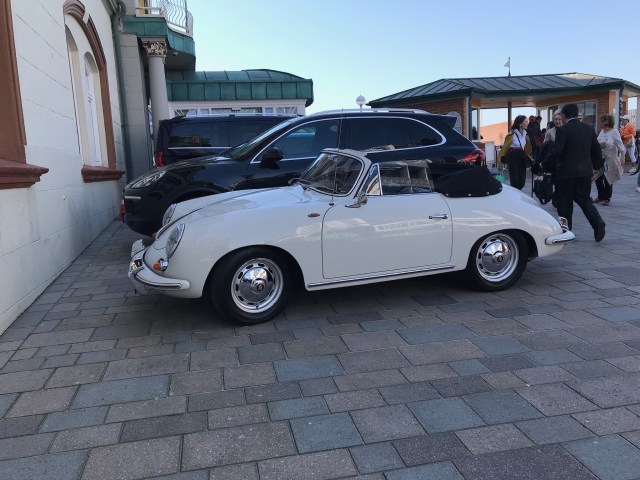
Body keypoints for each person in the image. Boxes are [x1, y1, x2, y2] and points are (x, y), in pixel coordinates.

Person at [541, 103, 605, 241]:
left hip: (566, 172)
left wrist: (544, 164)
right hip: (585, 171)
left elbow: (556, 151)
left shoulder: (563, 130)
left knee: (564, 202)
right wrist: (597, 166)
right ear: (577, 114)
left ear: (564, 115)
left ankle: (566, 230)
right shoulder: (589, 129)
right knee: (584, 199)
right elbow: (596, 149)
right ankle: (598, 223)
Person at [593, 115, 624, 205]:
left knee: (608, 177)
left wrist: (622, 157)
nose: (600, 123)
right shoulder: (602, 131)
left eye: (602, 121)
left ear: (607, 122)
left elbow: (620, 145)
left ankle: (606, 198)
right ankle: (600, 196)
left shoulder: (614, 132)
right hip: (601, 157)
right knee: (598, 177)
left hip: (610, 158)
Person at [498, 115, 531, 190]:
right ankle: (515, 194)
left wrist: (529, 157)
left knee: (522, 181)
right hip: (513, 157)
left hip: (522, 156)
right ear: (520, 123)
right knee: (515, 180)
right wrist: (500, 162)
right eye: (526, 122)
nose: (527, 123)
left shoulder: (525, 134)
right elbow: (504, 148)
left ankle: (518, 192)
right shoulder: (511, 134)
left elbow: (526, 148)